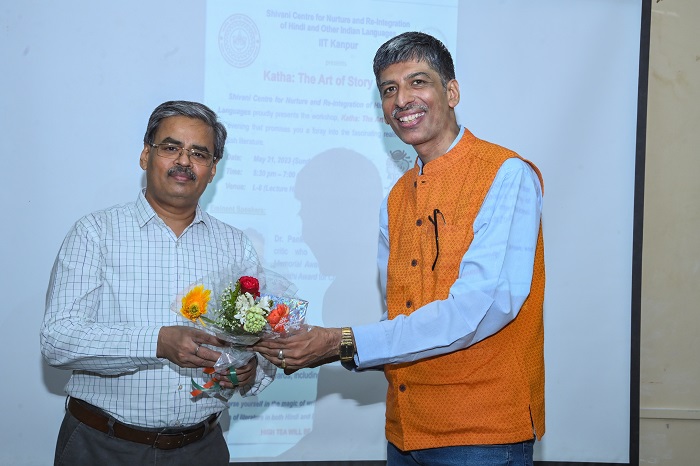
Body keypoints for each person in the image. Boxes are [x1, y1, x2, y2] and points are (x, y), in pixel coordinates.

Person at [253, 31, 545, 465]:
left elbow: (480, 308)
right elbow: (400, 314)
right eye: (389, 90)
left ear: (452, 92)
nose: (402, 99)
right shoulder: (396, 198)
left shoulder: (506, 174)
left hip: (481, 434)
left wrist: (339, 342)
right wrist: (317, 344)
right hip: (404, 430)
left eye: (417, 82)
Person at [41, 101, 275, 466]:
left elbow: (259, 341)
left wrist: (249, 370)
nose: (184, 161)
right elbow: (58, 340)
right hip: (103, 446)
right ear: (145, 155)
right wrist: (157, 342)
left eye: (199, 153)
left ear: (213, 170)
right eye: (171, 147)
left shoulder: (235, 245)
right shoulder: (95, 233)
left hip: (203, 448)